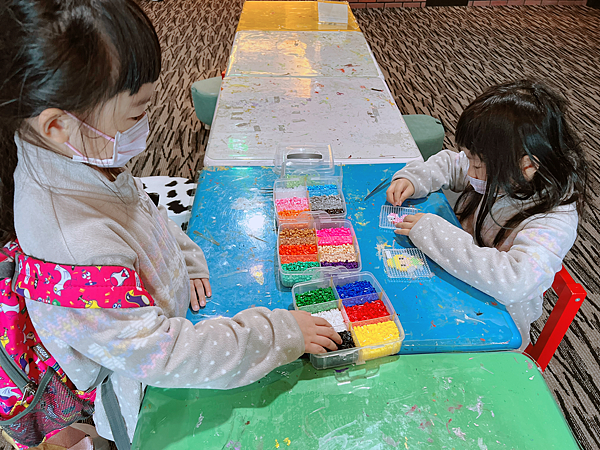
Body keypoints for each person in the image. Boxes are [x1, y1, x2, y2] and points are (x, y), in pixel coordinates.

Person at [0, 0, 340, 446]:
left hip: (144, 327)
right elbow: (164, 356)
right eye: (136, 114)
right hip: (137, 387)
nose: (147, 125)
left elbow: (140, 212)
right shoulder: (75, 244)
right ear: (58, 124)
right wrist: (278, 332)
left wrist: (185, 259)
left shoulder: (78, 155)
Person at [386, 80, 588, 350]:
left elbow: (514, 282)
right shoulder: (505, 169)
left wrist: (435, 233)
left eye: (478, 165)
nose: (470, 173)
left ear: (527, 166)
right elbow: (451, 162)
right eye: (471, 160)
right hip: (457, 278)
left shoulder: (554, 221)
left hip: (495, 324)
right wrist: (415, 178)